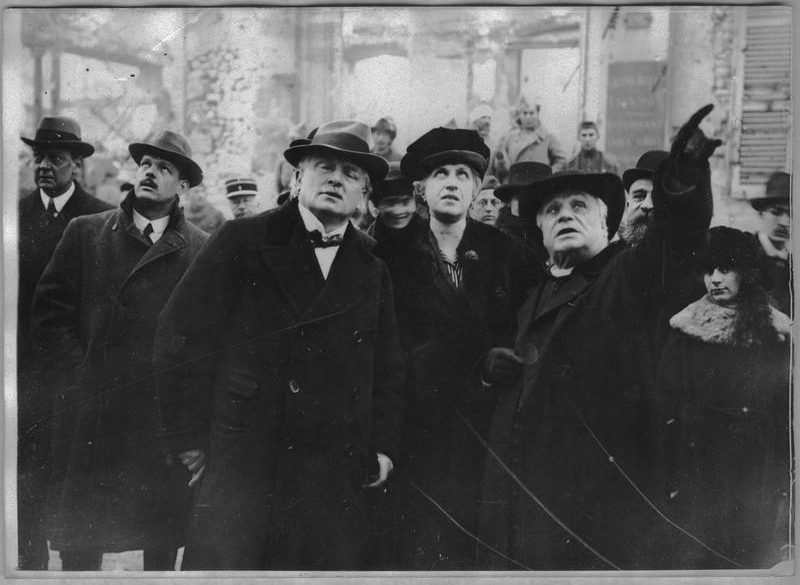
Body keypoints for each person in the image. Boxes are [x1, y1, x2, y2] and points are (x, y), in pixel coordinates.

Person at [477, 105, 721, 570]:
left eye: (578, 206)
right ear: (541, 231)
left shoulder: (626, 275)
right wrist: (489, 370)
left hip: (593, 508)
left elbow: (677, 236)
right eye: (552, 210)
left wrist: (684, 177)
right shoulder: (533, 295)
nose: (564, 215)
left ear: (606, 223)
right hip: (522, 503)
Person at [153, 120, 405, 570]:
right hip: (245, 461)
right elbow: (178, 336)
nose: (335, 179)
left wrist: (384, 448)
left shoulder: (372, 266)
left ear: (365, 194)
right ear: (296, 178)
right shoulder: (243, 239)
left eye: (350, 174)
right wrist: (187, 439)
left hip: (333, 472)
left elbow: (387, 368)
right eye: (324, 166)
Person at [30, 131, 209, 570]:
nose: (150, 172)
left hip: (160, 421)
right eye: (146, 163)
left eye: (164, 168)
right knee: (81, 546)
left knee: (160, 544)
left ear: (183, 186)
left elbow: (209, 338)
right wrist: (78, 377)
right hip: (92, 417)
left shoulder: (201, 249)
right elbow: (49, 314)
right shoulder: (87, 233)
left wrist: (188, 413)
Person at [373, 126, 540, 570]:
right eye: (441, 173)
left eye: (463, 174)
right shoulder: (386, 256)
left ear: (477, 189)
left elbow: (527, 327)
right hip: (416, 430)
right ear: (421, 190)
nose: (452, 182)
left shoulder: (506, 253)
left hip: (486, 430)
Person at [655, 226, 791, 569]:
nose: (715, 279)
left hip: (758, 460)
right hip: (699, 456)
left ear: (746, 273)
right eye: (708, 270)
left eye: (725, 269)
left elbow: (785, 404)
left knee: (752, 547)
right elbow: (667, 398)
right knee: (701, 548)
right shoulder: (687, 329)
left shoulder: (776, 332)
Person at [17, 115, 113, 570]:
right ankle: (29, 565)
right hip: (24, 373)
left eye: (56, 158)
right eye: (38, 157)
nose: (44, 166)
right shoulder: (13, 215)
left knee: (78, 476)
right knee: (28, 475)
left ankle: (81, 571)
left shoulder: (99, 217)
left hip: (78, 370)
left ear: (76, 163)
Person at [488, 95, 567, 183]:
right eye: (525, 113)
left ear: (537, 114)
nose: (528, 117)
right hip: (515, 184)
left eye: (532, 113)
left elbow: (562, 159)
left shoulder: (547, 136)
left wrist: (549, 174)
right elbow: (501, 164)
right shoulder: (510, 136)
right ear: (520, 115)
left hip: (539, 183)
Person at [749, 170, 791, 314]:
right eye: (776, 212)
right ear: (762, 212)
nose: (784, 222)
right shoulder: (743, 254)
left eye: (792, 214)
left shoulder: (792, 264)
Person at [618, 150, 670, 246]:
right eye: (639, 196)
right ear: (628, 204)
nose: (647, 205)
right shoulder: (611, 258)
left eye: (658, 198)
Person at [367, 161, 422, 241]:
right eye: (391, 203)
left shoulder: (433, 237)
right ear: (375, 207)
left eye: (406, 202)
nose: (399, 210)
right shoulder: (365, 244)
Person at [274, 122, 307, 197]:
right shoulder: (282, 161)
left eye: (296, 139)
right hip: (286, 197)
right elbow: (278, 187)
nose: (293, 141)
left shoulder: (308, 161)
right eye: (291, 139)